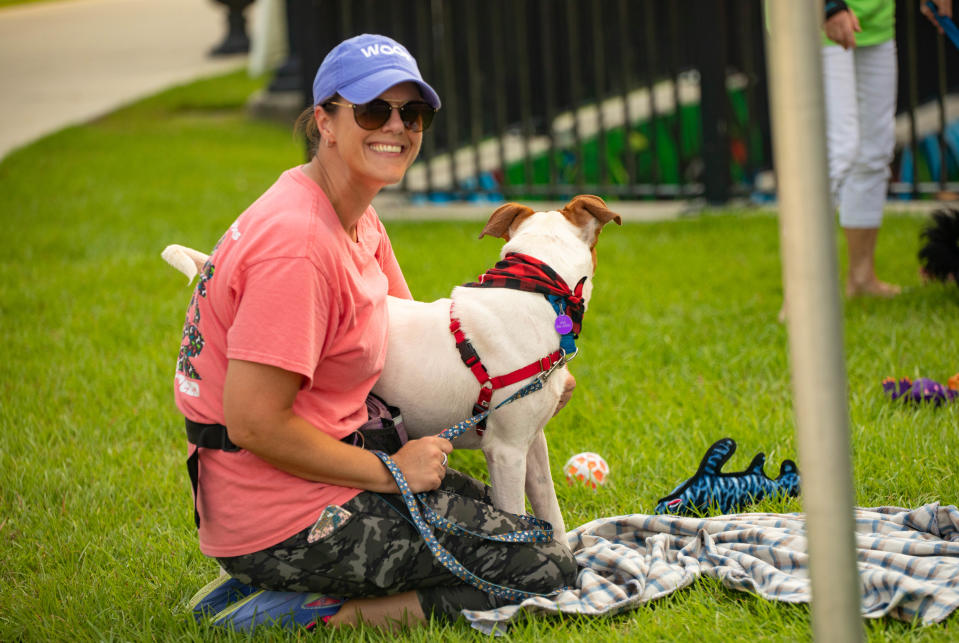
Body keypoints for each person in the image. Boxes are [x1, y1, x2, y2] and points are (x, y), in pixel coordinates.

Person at [174, 33, 577, 630]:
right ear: (325, 122)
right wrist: (395, 472)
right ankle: (310, 613)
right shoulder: (298, 247)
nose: (396, 126)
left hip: (324, 474)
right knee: (542, 566)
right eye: (371, 110)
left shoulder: (356, 218)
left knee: (511, 523)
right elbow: (254, 422)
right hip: (285, 514)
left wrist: (516, 389)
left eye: (411, 113)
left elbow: (419, 352)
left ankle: (277, 580)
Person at [821, 0, 951, 297]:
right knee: (836, 151)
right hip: (813, 18)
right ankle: (801, 294)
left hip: (875, 15)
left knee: (875, 150)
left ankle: (862, 278)